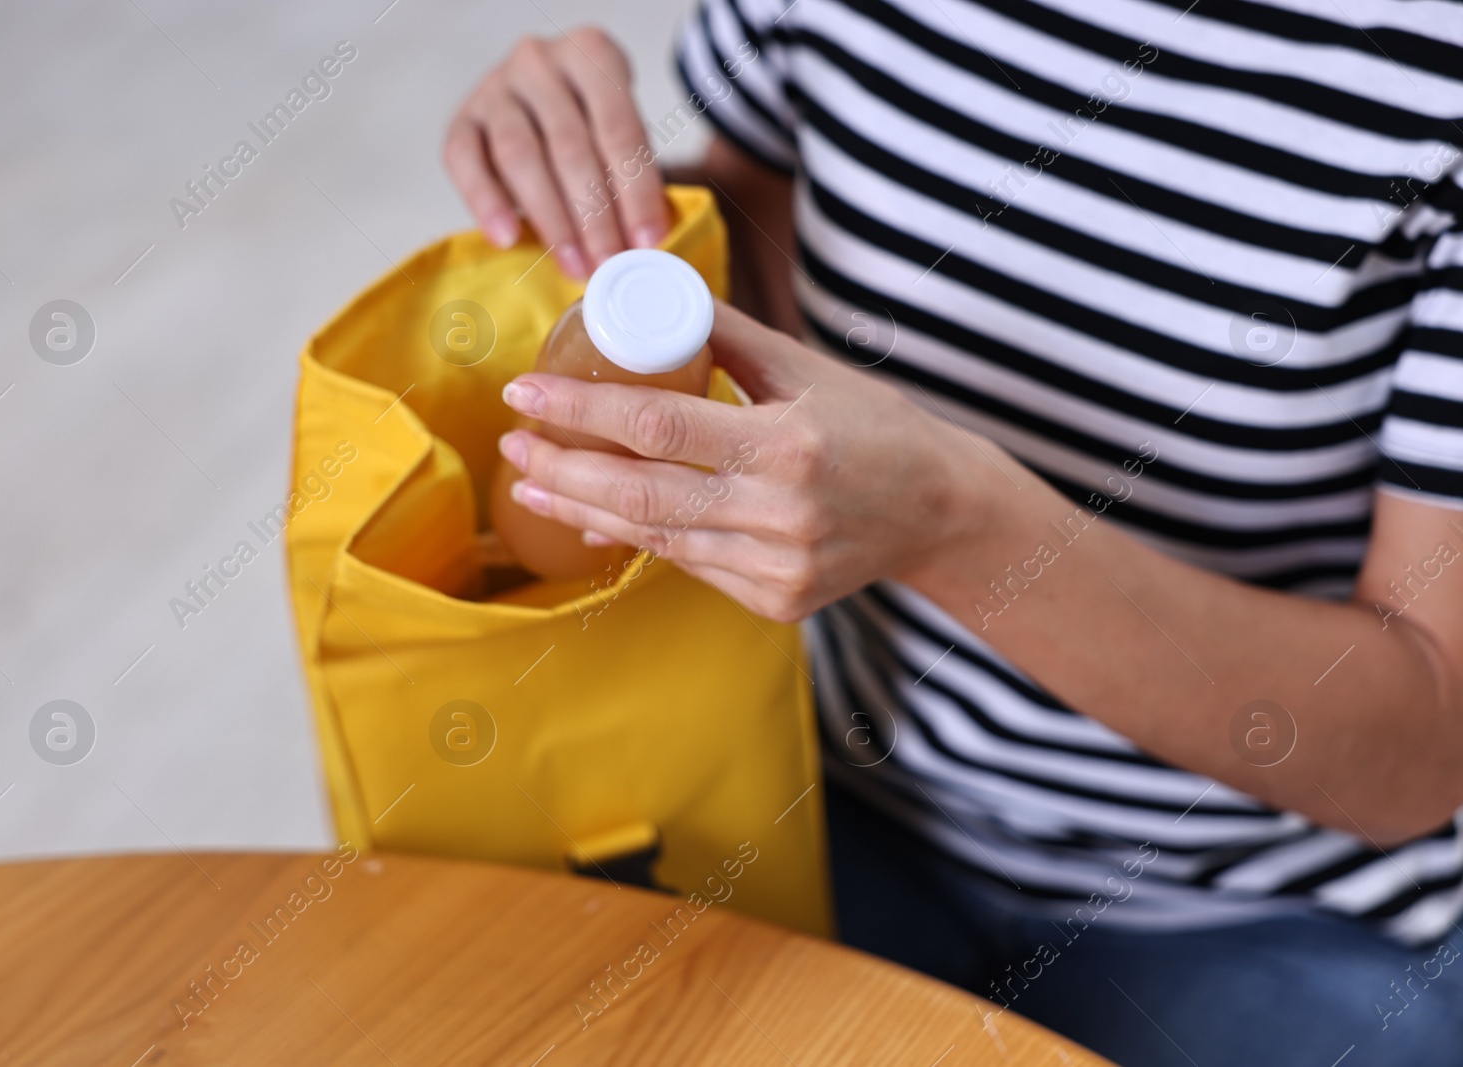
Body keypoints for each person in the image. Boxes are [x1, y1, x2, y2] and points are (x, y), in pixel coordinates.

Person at [442, 3, 1463, 1063]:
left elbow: (1419, 751)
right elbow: (759, 282)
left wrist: (955, 523)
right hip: (846, 785)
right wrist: (583, 177)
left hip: (1275, 908)